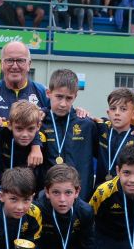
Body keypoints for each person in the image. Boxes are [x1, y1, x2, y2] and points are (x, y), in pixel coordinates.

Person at [41, 69, 97, 200]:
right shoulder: (39, 123)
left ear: (75, 96)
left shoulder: (87, 125)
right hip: (47, 199)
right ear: (48, 93)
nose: (63, 104)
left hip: (79, 199)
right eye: (59, 96)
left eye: (68, 98)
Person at [0, 41, 49, 119]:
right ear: (1, 64)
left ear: (29, 64)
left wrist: (45, 112)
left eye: (20, 60)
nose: (15, 66)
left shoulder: (42, 92)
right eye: (9, 60)